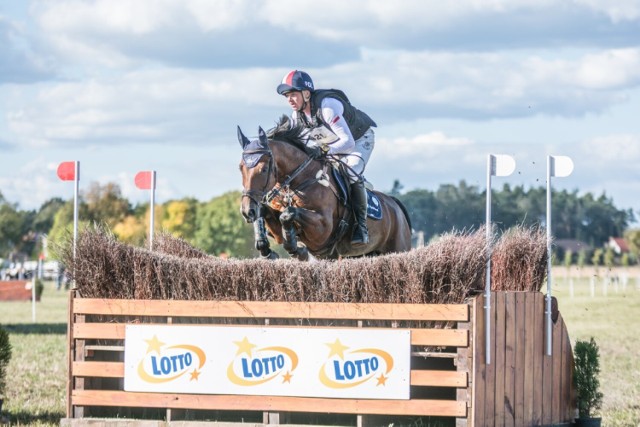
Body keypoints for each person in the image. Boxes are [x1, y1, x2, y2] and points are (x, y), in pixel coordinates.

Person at [276, 70, 377, 246]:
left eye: (293, 94)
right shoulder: (297, 116)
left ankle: (361, 227)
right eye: (287, 96)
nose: (289, 100)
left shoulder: (328, 107)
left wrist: (323, 150)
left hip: (359, 141)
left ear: (306, 93)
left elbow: (348, 142)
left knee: (349, 172)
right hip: (333, 144)